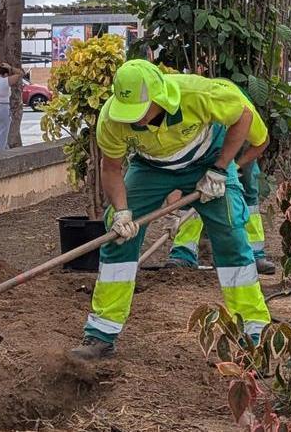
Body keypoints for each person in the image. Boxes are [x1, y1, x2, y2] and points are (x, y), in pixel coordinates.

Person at [70, 59, 273, 360]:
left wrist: (221, 169)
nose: (134, 121)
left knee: (231, 237)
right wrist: (123, 211)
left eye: (140, 112)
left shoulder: (199, 94)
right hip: (151, 167)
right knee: (117, 237)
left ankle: (253, 331)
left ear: (159, 98)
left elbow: (244, 120)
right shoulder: (111, 119)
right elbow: (111, 167)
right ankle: (101, 334)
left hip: (208, 160)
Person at [167, 153, 276, 275]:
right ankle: (184, 253)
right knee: (191, 190)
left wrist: (232, 168)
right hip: (205, 148)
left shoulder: (253, 137)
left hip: (242, 153)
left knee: (249, 194)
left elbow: (260, 144)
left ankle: (254, 254)